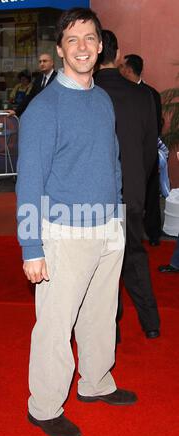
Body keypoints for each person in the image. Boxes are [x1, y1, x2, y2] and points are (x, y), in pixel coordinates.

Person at [16, 8, 137, 436]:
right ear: (60, 49)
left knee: (100, 317)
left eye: (90, 38)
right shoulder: (44, 109)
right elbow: (28, 181)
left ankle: (96, 382)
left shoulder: (102, 99)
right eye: (73, 40)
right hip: (63, 234)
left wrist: (117, 212)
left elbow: (111, 161)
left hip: (107, 228)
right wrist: (32, 246)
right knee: (55, 324)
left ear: (101, 45)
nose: (83, 47)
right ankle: (44, 407)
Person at [94, 30, 160, 339]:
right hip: (133, 191)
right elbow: (150, 152)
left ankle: (112, 330)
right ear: (118, 55)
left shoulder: (88, 95)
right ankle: (151, 325)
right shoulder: (143, 95)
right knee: (134, 255)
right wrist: (136, 183)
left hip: (95, 196)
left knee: (101, 267)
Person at [120, 54, 163, 247]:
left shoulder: (152, 94)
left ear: (128, 69)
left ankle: (153, 232)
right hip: (125, 154)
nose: (120, 70)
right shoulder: (120, 93)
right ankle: (124, 234)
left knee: (152, 193)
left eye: (122, 67)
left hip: (147, 151)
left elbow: (157, 124)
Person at [11, 53, 56, 117]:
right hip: (40, 116)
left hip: (53, 117)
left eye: (45, 61)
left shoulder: (58, 78)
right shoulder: (38, 79)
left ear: (52, 63)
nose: (42, 64)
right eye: (40, 62)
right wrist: (16, 111)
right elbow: (30, 97)